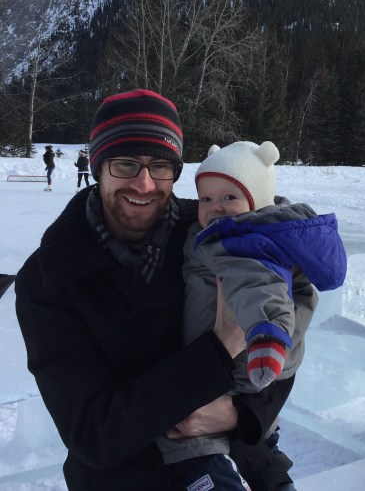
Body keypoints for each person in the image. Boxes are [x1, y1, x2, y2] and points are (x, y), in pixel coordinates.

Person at [15, 90, 296, 491]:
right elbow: (93, 433)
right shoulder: (51, 276)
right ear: (98, 168)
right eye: (125, 164)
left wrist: (240, 414)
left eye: (161, 166)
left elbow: (288, 322)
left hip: (248, 462)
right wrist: (219, 350)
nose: (144, 183)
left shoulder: (207, 229)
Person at [157, 141, 347, 491]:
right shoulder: (213, 234)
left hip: (240, 370)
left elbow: (260, 289)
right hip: (225, 382)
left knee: (205, 456)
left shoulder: (243, 242)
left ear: (256, 200)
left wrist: (266, 336)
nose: (214, 208)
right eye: (205, 199)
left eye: (229, 197)